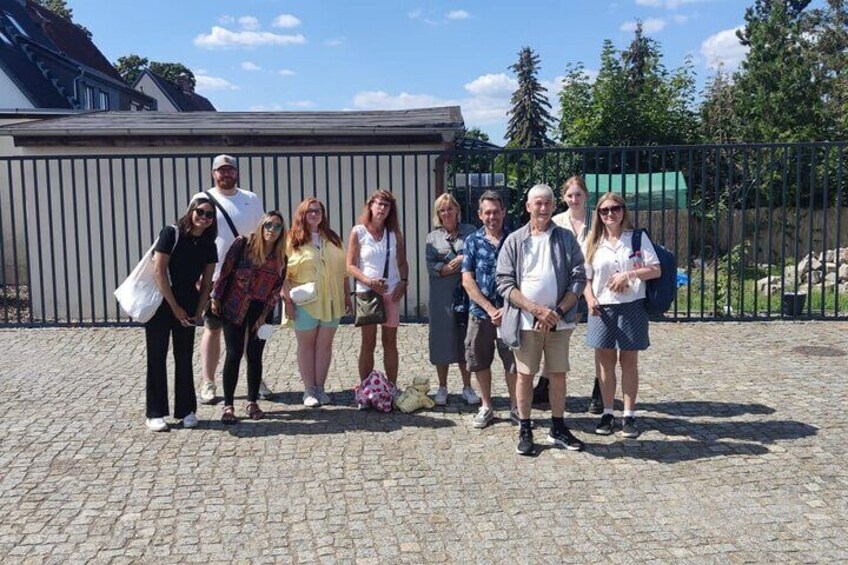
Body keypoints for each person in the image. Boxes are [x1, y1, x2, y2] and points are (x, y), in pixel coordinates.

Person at [496, 184, 587, 456]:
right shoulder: (514, 240)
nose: (544, 208)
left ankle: (558, 427)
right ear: (528, 207)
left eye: (548, 203)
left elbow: (579, 277)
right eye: (538, 203)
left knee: (558, 375)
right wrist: (536, 310)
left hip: (559, 321)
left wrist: (556, 312)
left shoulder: (565, 238)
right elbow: (504, 282)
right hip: (526, 321)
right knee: (525, 376)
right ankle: (525, 428)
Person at [194, 154, 271, 405]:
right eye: (221, 170)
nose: (226, 174)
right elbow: (195, 235)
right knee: (213, 328)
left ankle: (254, 378)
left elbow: (262, 233)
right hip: (216, 276)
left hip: (249, 277)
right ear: (213, 173)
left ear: (236, 172)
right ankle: (208, 381)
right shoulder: (202, 199)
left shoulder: (251, 198)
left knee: (250, 329)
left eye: (230, 170)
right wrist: (198, 274)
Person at [583, 192, 661, 439]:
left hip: (631, 305)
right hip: (602, 307)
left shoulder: (636, 238)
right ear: (598, 215)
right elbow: (584, 277)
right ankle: (607, 412)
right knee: (605, 365)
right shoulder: (592, 241)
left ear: (623, 211)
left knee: (629, 362)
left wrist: (628, 275)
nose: (610, 214)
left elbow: (655, 269)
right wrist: (589, 299)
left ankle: (629, 414)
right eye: (604, 210)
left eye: (614, 209)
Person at [145, 197, 218, 431]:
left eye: (209, 215)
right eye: (200, 212)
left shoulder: (209, 243)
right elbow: (159, 270)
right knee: (157, 356)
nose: (204, 218)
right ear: (191, 211)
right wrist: (174, 306)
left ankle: (186, 410)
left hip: (188, 303)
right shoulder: (171, 233)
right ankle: (155, 413)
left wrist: (198, 311)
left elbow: (207, 282)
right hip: (162, 302)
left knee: (184, 357)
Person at [210, 211, 287, 424]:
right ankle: (228, 405)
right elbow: (225, 271)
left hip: (261, 309)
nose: (272, 230)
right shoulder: (243, 245)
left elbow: (276, 290)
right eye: (269, 225)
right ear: (261, 226)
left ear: (282, 231)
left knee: (255, 355)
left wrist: (264, 316)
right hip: (234, 305)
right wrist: (216, 297)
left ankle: (252, 402)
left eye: (277, 226)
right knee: (233, 354)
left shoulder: (281, 257)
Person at [284, 198, 352, 407]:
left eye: (318, 210)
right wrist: (287, 302)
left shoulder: (333, 238)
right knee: (306, 345)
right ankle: (309, 390)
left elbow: (343, 271)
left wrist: (347, 296)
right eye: (310, 211)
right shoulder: (292, 240)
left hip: (332, 300)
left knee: (325, 345)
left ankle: (320, 388)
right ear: (302, 214)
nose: (314, 214)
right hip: (305, 301)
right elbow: (283, 274)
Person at [545, 175, 604, 414]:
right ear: (563, 198)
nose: (574, 199)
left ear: (586, 196)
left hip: (596, 285)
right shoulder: (557, 221)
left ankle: (599, 390)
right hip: (565, 288)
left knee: (600, 341)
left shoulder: (598, 219)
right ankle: (545, 382)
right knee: (556, 336)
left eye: (578, 194)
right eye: (570, 195)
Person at [461, 190, 518, 428]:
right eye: (487, 212)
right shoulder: (472, 241)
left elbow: (524, 277)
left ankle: (517, 407)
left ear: (504, 212)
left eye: (496, 212)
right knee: (480, 360)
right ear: (480, 214)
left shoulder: (515, 240)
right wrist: (489, 307)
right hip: (480, 314)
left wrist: (505, 308)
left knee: (514, 362)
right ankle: (487, 405)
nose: (492, 216)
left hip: (511, 313)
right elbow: (467, 279)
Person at [346, 189, 409, 388]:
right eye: (378, 204)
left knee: (390, 343)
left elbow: (402, 262)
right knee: (368, 343)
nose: (382, 208)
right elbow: (350, 265)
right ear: (370, 206)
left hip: (391, 292)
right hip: (368, 293)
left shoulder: (394, 234)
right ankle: (365, 388)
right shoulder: (359, 231)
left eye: (386, 205)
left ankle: (391, 386)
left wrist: (404, 281)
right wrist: (368, 281)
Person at [425, 193, 479, 406]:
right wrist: (449, 267)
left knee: (465, 338)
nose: (446, 213)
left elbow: (475, 256)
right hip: (441, 295)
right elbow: (430, 266)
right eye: (442, 210)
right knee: (441, 339)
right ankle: (442, 387)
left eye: (449, 208)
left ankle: (467, 387)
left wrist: (463, 259)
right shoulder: (432, 237)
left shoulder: (471, 232)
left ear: (457, 210)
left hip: (466, 293)